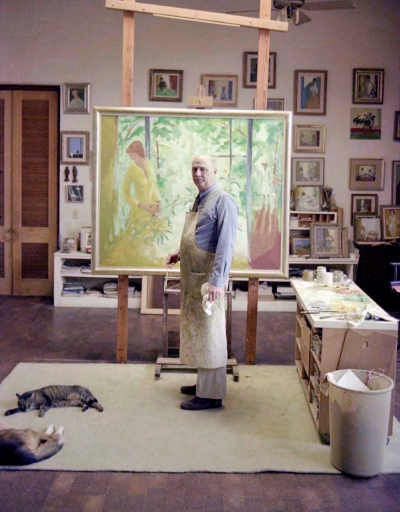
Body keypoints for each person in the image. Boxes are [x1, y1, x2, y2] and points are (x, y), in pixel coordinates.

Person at [166, 155, 238, 411]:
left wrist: (218, 282)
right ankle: (204, 385)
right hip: (195, 278)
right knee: (200, 332)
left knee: (211, 334)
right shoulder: (201, 199)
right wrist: (180, 252)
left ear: (215, 171)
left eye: (203, 169)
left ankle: (211, 395)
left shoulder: (223, 201)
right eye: (194, 168)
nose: (198, 173)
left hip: (209, 281)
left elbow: (226, 247)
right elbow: (200, 237)